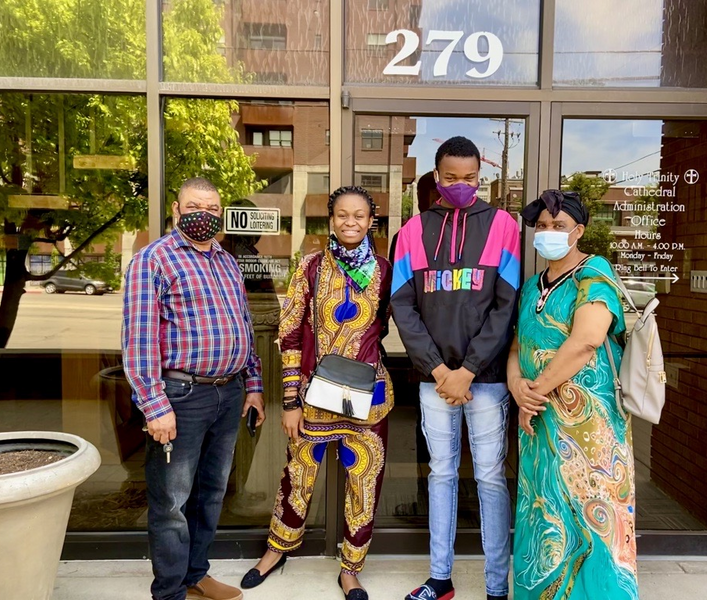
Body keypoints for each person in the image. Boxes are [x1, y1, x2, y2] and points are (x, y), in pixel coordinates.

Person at [241, 186, 393, 600]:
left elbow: (399, 322)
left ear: (370, 221)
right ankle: (276, 550)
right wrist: (290, 401)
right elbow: (289, 336)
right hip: (314, 398)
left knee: (365, 482)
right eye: (342, 215)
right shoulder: (309, 267)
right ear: (330, 220)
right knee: (298, 476)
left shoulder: (386, 269)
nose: (350, 222)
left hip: (369, 397)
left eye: (359, 216)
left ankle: (351, 569)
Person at [122, 177, 266, 600]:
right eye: (194, 206)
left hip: (228, 394)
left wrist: (253, 384)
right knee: (171, 503)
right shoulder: (153, 261)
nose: (204, 215)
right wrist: (154, 405)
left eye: (213, 208)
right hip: (180, 397)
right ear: (176, 209)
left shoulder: (225, 260)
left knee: (211, 493)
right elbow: (139, 339)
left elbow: (244, 325)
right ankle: (170, 592)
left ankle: (195, 575)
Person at [391, 137, 520, 600]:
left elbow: (507, 306)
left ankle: (496, 587)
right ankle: (440, 578)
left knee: (489, 476)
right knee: (441, 474)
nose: (461, 186)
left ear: (479, 176)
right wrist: (440, 370)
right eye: (451, 178)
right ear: (436, 176)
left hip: (484, 382)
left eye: (470, 178)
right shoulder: (411, 231)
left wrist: (467, 369)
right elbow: (402, 305)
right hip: (435, 382)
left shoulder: (505, 227)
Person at [509, 190, 638, 600]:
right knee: (543, 508)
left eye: (558, 226)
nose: (548, 233)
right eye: (542, 227)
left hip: (589, 426)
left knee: (594, 510)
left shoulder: (594, 273)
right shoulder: (532, 285)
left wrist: (534, 392)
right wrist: (517, 388)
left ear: (578, 231)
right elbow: (516, 347)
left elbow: (587, 340)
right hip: (540, 418)